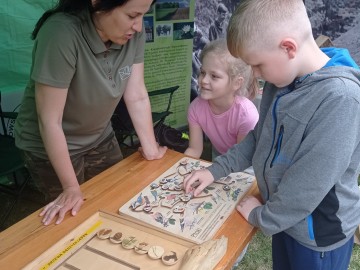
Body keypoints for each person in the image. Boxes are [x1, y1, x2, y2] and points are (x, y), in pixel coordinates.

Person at [184, 0, 360, 269]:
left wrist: (262, 217)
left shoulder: (341, 99)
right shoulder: (283, 80)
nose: (255, 74)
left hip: (319, 237)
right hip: (285, 221)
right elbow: (258, 139)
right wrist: (215, 170)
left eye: (257, 65)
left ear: (288, 47)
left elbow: (309, 183)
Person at [14, 0, 167, 226]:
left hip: (99, 136)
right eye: (132, 15)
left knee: (119, 200)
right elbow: (50, 121)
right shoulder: (61, 33)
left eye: (143, 15)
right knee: (72, 217)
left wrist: (151, 149)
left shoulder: (133, 32)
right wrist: (70, 187)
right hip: (51, 144)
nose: (138, 26)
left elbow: (136, 95)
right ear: (98, 3)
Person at [185, 38, 259, 160]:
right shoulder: (195, 108)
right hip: (219, 159)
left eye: (214, 76)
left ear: (236, 83)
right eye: (203, 73)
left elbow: (242, 158)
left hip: (248, 168)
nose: (203, 80)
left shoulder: (246, 115)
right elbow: (194, 149)